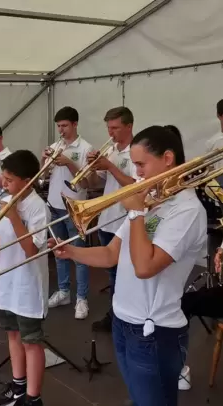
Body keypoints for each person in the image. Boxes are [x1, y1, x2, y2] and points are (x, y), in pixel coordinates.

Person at [50, 125, 204, 406]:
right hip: (125, 322)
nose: (135, 173)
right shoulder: (151, 199)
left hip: (154, 333)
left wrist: (135, 214)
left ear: (168, 159)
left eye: (140, 164)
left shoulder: (186, 210)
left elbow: (145, 265)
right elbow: (110, 255)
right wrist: (72, 253)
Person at [0, 150, 50, 406]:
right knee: (12, 335)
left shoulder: (36, 208)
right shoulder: (7, 201)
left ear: (27, 181)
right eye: (3, 179)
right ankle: (18, 385)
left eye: (9, 180)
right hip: (7, 280)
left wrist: (13, 215)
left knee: (31, 342)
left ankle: (34, 401)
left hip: (28, 285)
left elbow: (32, 249)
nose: (4, 185)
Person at [84, 107, 138, 333]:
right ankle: (116, 314)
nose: (111, 133)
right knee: (112, 272)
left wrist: (110, 166)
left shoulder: (137, 152)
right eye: (108, 128)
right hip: (107, 218)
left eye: (115, 128)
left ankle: (118, 317)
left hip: (125, 220)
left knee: (123, 273)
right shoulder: (112, 151)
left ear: (129, 126)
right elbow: (97, 184)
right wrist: (91, 170)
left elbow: (135, 185)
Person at [43, 106, 93, 320]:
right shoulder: (55, 146)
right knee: (59, 253)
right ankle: (63, 292)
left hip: (75, 208)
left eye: (64, 126)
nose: (61, 130)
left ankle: (82, 298)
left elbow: (87, 182)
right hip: (54, 206)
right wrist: (44, 160)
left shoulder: (86, 148)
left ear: (74, 124)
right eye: (58, 126)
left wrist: (70, 163)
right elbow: (42, 177)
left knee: (79, 255)